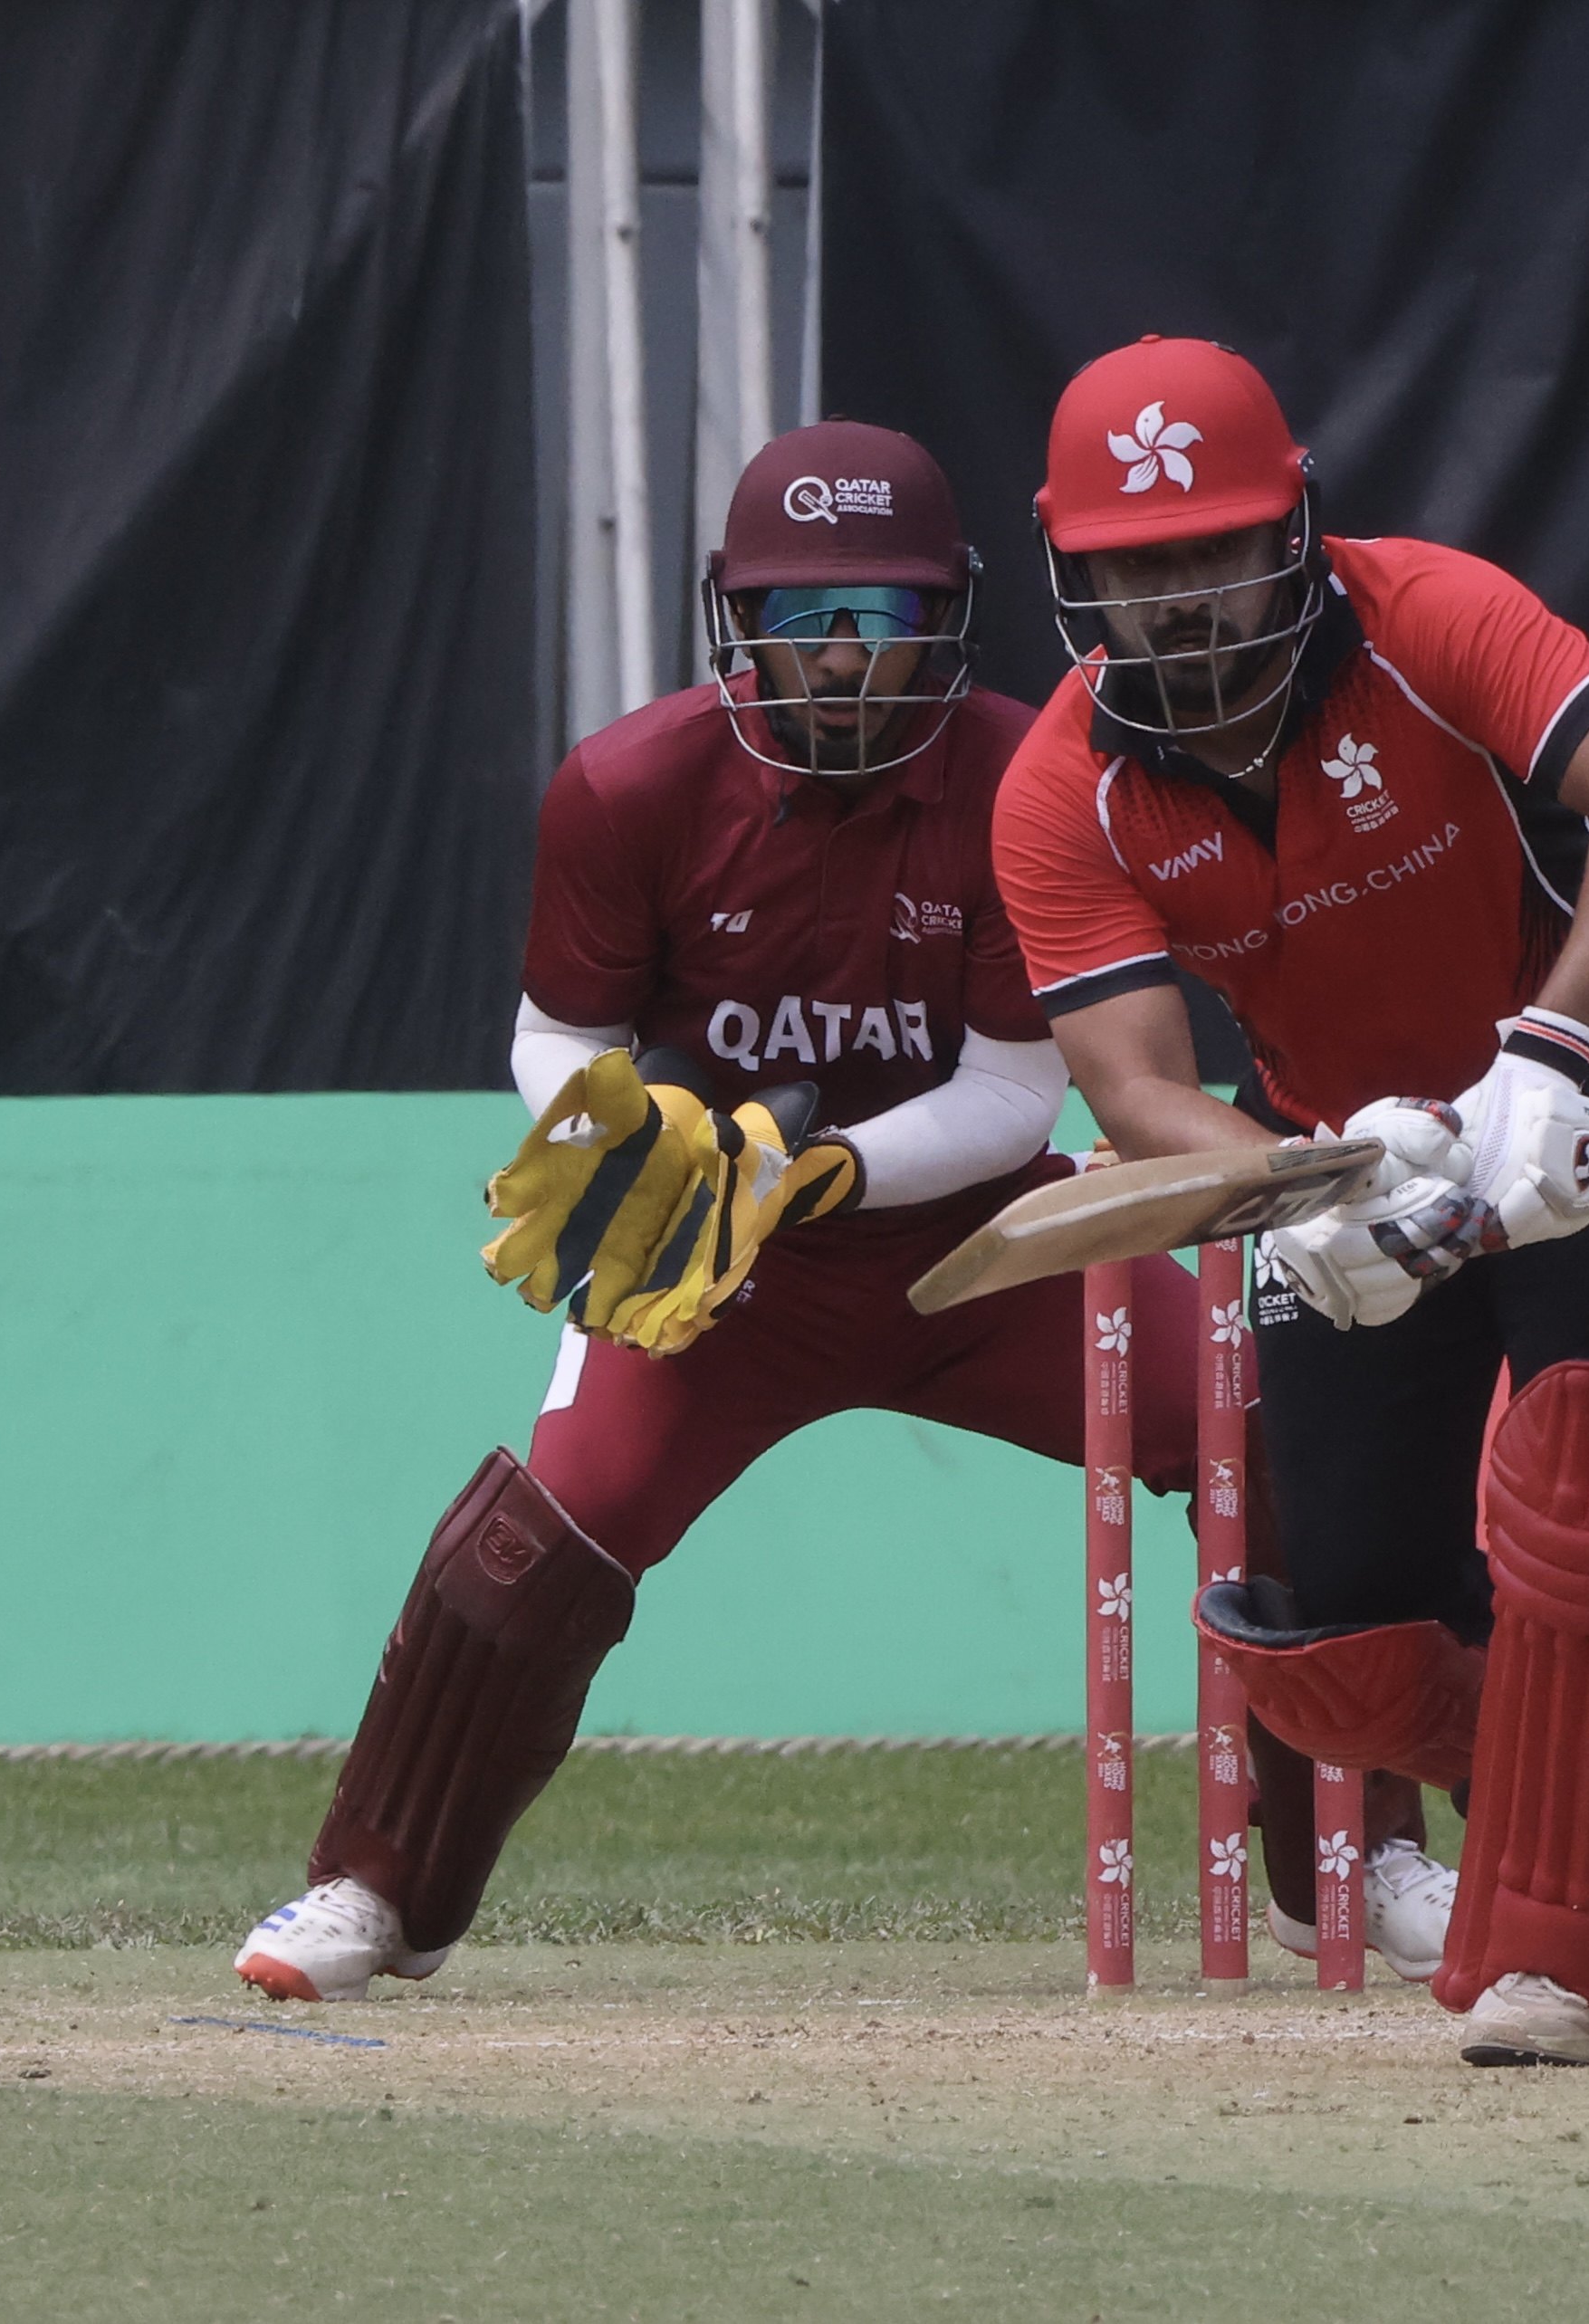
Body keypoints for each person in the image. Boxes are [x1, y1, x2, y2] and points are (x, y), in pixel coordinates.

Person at [233, 419, 1457, 2002]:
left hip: (983, 1250)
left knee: (1265, 1432)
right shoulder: (626, 785)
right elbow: (559, 1035)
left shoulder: (1033, 775)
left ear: (947, 614)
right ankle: (372, 1892)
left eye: (877, 621)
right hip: (718, 1277)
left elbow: (1019, 1093)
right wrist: (610, 1132)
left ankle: (1349, 1862)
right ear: (731, 617)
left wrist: (827, 1171)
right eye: (802, 621)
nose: (840, 661)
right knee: (537, 1539)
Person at [991, 339, 1589, 2067]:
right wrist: (1294, 1197)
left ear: (1296, 534)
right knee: (1328, 1627)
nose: (1179, 605)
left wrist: (1548, 1052)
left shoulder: (1426, 616)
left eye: (1212, 553)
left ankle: (1555, 1953)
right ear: (1075, 576)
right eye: (1135, 569)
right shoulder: (1061, 789)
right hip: (1351, 1141)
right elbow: (1126, 1086)